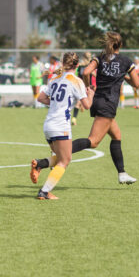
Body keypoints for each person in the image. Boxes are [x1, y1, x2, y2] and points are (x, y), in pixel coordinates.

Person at [32, 31, 138, 185]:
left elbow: (87, 72)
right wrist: (123, 75)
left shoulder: (100, 57)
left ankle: (122, 173)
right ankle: (46, 160)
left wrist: (89, 88)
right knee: (93, 141)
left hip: (97, 101)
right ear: (120, 45)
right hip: (108, 103)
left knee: (116, 135)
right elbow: (137, 84)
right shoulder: (125, 61)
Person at [28, 52, 92, 200]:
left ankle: (39, 164)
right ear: (76, 65)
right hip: (60, 125)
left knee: (61, 158)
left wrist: (56, 104)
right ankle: (44, 191)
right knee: (65, 160)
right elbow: (87, 105)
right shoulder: (76, 81)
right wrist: (91, 95)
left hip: (48, 125)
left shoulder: (55, 78)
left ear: (63, 63)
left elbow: (41, 98)